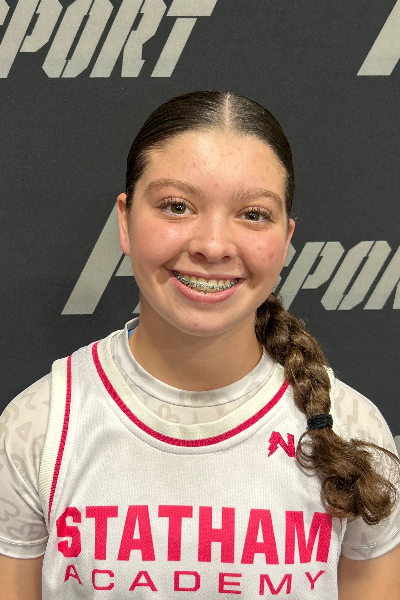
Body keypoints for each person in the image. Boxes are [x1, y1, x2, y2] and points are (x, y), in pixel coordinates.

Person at [1, 91, 400, 600]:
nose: (212, 245)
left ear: (285, 239)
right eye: (176, 206)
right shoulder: (39, 427)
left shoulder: (353, 432)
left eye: (253, 214)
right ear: (125, 220)